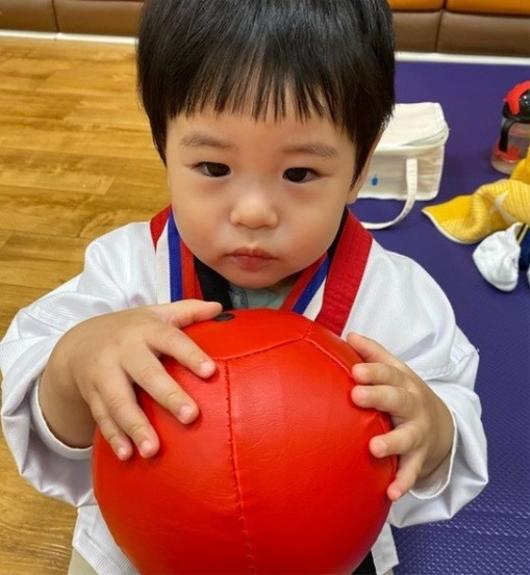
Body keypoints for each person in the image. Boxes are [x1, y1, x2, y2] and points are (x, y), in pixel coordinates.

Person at [0, 1, 488, 574]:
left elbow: (456, 415)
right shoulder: (126, 270)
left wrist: (432, 429)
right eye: (213, 168)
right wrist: (74, 364)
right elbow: (34, 393)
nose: (253, 212)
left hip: (320, 547)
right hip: (141, 545)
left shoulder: (395, 298)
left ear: (359, 170)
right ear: (165, 148)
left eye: (300, 174)